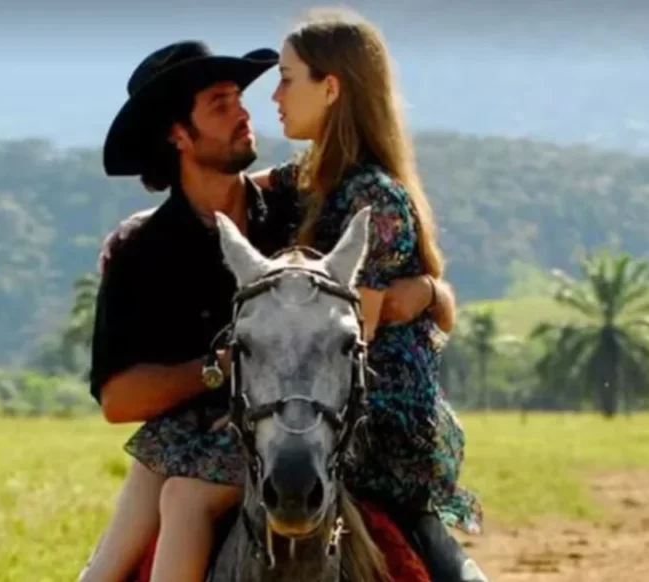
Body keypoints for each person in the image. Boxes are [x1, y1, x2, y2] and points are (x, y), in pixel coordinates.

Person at [78, 37, 470, 582]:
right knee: (159, 484)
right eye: (220, 104)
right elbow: (119, 400)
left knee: (426, 544)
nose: (245, 112)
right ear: (177, 134)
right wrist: (222, 366)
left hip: (324, 418)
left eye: (241, 97)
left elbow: (405, 294)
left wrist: (429, 291)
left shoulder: (305, 207)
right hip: (211, 427)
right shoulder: (140, 253)